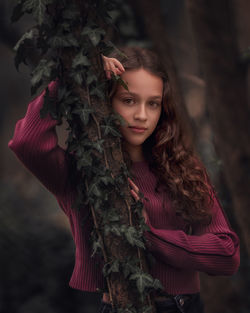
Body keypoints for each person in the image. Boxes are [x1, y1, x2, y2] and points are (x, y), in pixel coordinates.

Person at [8, 46, 240, 313]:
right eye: (129, 100)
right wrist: (74, 76)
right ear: (107, 100)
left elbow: (226, 254)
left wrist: (151, 237)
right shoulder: (81, 170)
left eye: (152, 103)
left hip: (184, 306)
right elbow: (27, 142)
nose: (142, 115)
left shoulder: (182, 166)